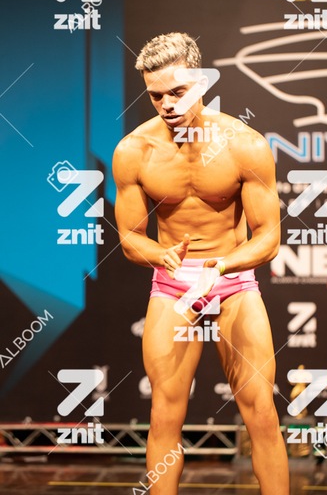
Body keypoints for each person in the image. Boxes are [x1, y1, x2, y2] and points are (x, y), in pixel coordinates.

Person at [113, 32, 289, 495]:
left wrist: (223, 266)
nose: (167, 105)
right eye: (156, 96)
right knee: (164, 416)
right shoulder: (134, 150)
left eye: (178, 91)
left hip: (233, 282)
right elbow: (130, 238)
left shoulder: (243, 144)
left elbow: (268, 237)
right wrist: (161, 254)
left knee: (262, 413)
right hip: (174, 285)